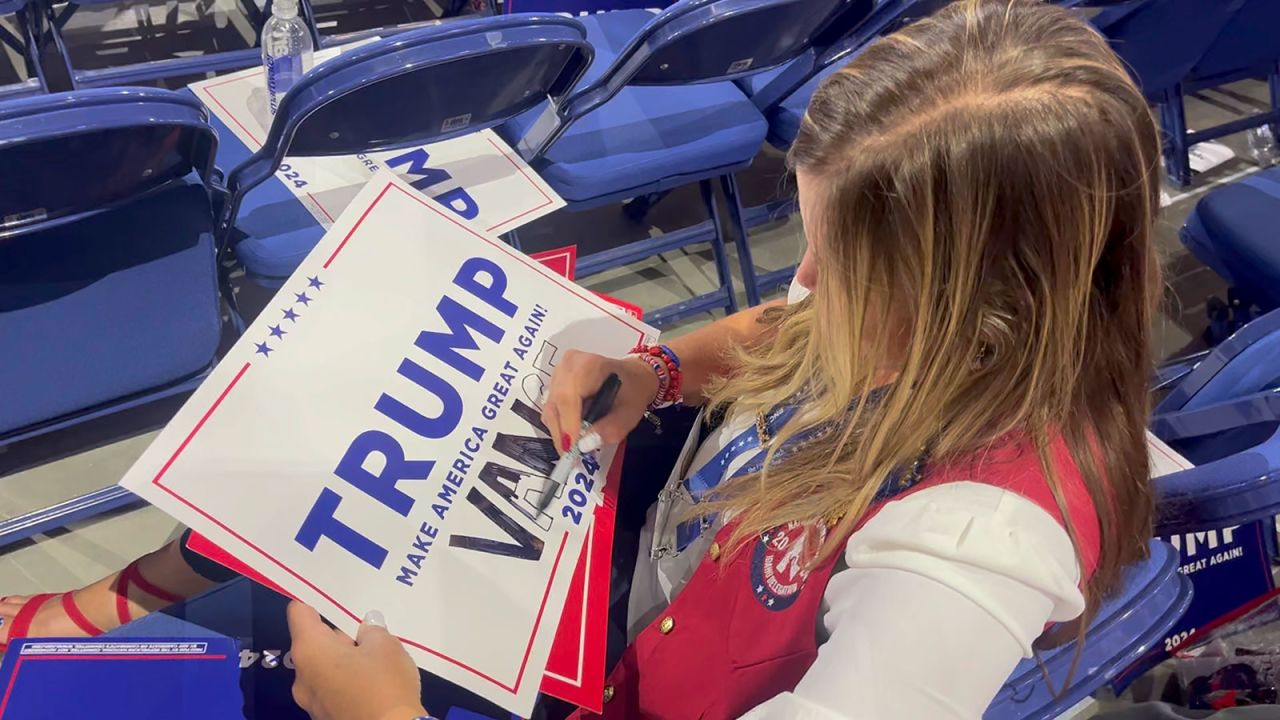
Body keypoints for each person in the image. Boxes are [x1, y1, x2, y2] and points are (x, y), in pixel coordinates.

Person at [2, 1, 1163, 719]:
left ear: (984, 300)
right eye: (802, 236)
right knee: (317, 452)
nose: (798, 282)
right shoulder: (953, 336)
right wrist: (658, 370)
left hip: (597, 678)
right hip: (603, 596)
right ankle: (128, 597)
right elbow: (778, 337)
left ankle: (112, 631)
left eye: (837, 264)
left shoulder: (975, 553)